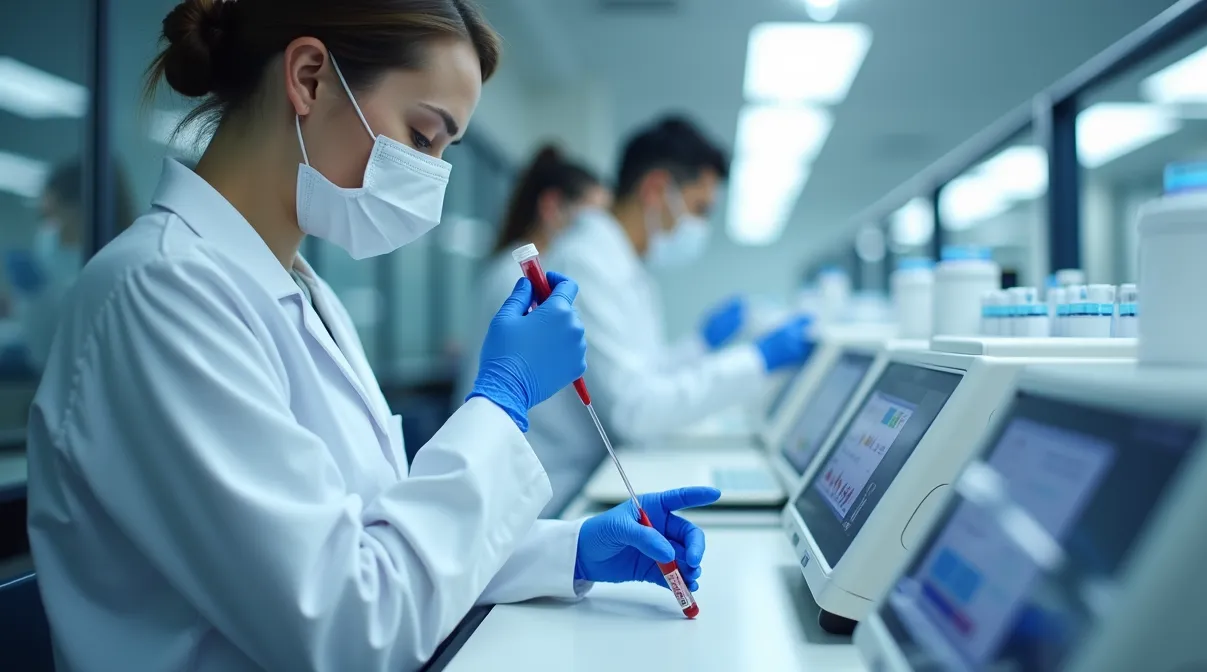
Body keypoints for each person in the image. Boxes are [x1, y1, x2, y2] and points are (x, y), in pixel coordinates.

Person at [25, 2, 718, 670]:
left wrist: (569, 551)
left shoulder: (300, 292)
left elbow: (375, 541)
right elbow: (352, 627)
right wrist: (500, 404)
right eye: (422, 136)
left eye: (446, 148)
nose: (433, 176)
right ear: (309, 78)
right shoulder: (159, 293)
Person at [527, 115, 814, 498]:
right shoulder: (586, 263)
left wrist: (700, 344)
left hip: (596, 476)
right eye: (699, 209)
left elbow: (645, 374)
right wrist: (757, 359)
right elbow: (634, 411)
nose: (699, 226)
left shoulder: (624, 265)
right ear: (657, 189)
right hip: (560, 491)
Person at [457, 144, 609, 400]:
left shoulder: (549, 269)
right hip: (519, 434)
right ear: (551, 207)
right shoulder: (514, 277)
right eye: (589, 221)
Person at [2, 160, 136, 371]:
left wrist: (40, 298)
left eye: (54, 213)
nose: (49, 226)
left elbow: (73, 331)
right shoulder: (50, 243)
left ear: (79, 209)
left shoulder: (119, 258)